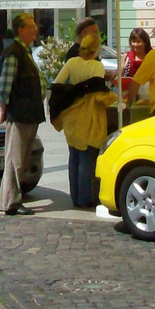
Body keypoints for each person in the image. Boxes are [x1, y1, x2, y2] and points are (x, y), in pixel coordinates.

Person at [51, 29, 116, 208]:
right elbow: (99, 96)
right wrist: (114, 97)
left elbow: (57, 84)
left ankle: (75, 197)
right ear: (96, 49)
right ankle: (85, 198)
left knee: (74, 157)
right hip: (90, 117)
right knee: (87, 159)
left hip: (71, 117)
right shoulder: (96, 66)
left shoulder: (72, 62)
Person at [0, 12, 43, 217]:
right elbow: (5, 85)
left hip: (28, 112)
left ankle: (8, 200)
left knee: (18, 159)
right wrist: (2, 110)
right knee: (16, 161)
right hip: (20, 113)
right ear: (20, 30)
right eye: (31, 27)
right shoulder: (14, 52)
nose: (35, 30)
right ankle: (11, 202)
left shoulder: (24, 51)